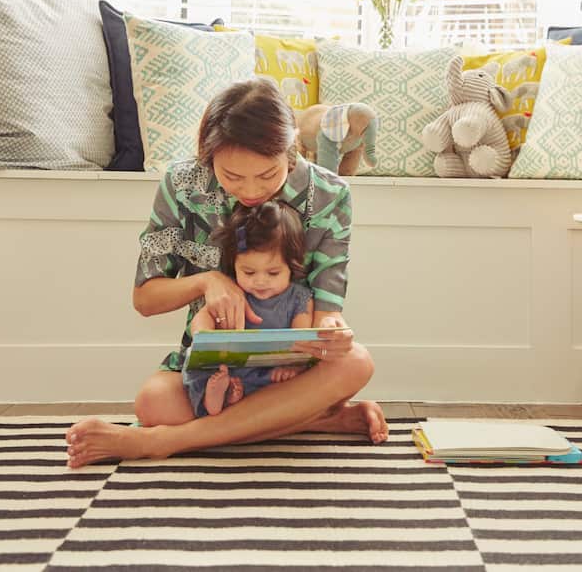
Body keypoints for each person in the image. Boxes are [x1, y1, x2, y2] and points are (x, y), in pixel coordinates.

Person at [66, 78, 388, 468]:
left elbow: (327, 309)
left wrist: (332, 332)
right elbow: (145, 299)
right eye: (232, 177)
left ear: (289, 154)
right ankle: (317, 420)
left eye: (267, 176)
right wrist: (208, 280)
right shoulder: (181, 186)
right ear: (208, 156)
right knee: (152, 402)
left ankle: (163, 442)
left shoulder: (329, 194)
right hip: (212, 373)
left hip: (290, 376)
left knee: (357, 362)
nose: (250, 190)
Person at [184, 201, 314, 418]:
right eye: (248, 272)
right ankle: (217, 397)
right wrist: (204, 337)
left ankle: (235, 398)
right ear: (233, 265)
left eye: (273, 273)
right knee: (196, 362)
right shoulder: (233, 292)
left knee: (301, 382)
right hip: (231, 370)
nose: (260, 282)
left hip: (271, 376)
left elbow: (301, 340)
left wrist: (294, 367)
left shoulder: (299, 298)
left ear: (292, 266)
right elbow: (202, 317)